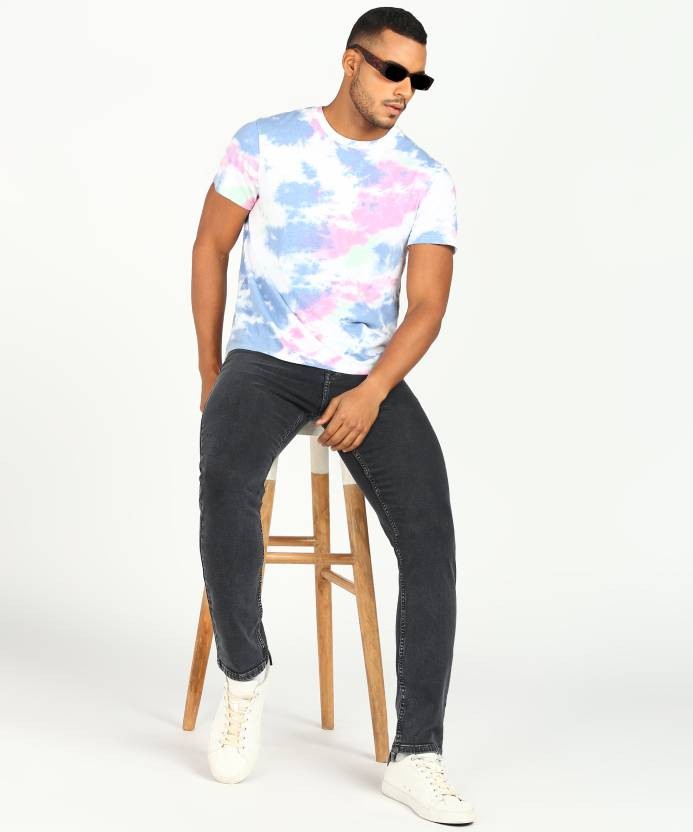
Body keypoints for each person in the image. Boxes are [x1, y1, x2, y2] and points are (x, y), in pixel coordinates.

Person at [191, 6, 475, 825]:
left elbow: (426, 306)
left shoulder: (424, 177)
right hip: (264, 359)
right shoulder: (265, 143)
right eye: (392, 71)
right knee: (224, 481)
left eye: (418, 79)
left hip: (362, 374)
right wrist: (211, 368)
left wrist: (374, 389)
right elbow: (211, 246)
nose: (405, 90)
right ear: (351, 63)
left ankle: (416, 755)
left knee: (430, 533)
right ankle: (244, 675)